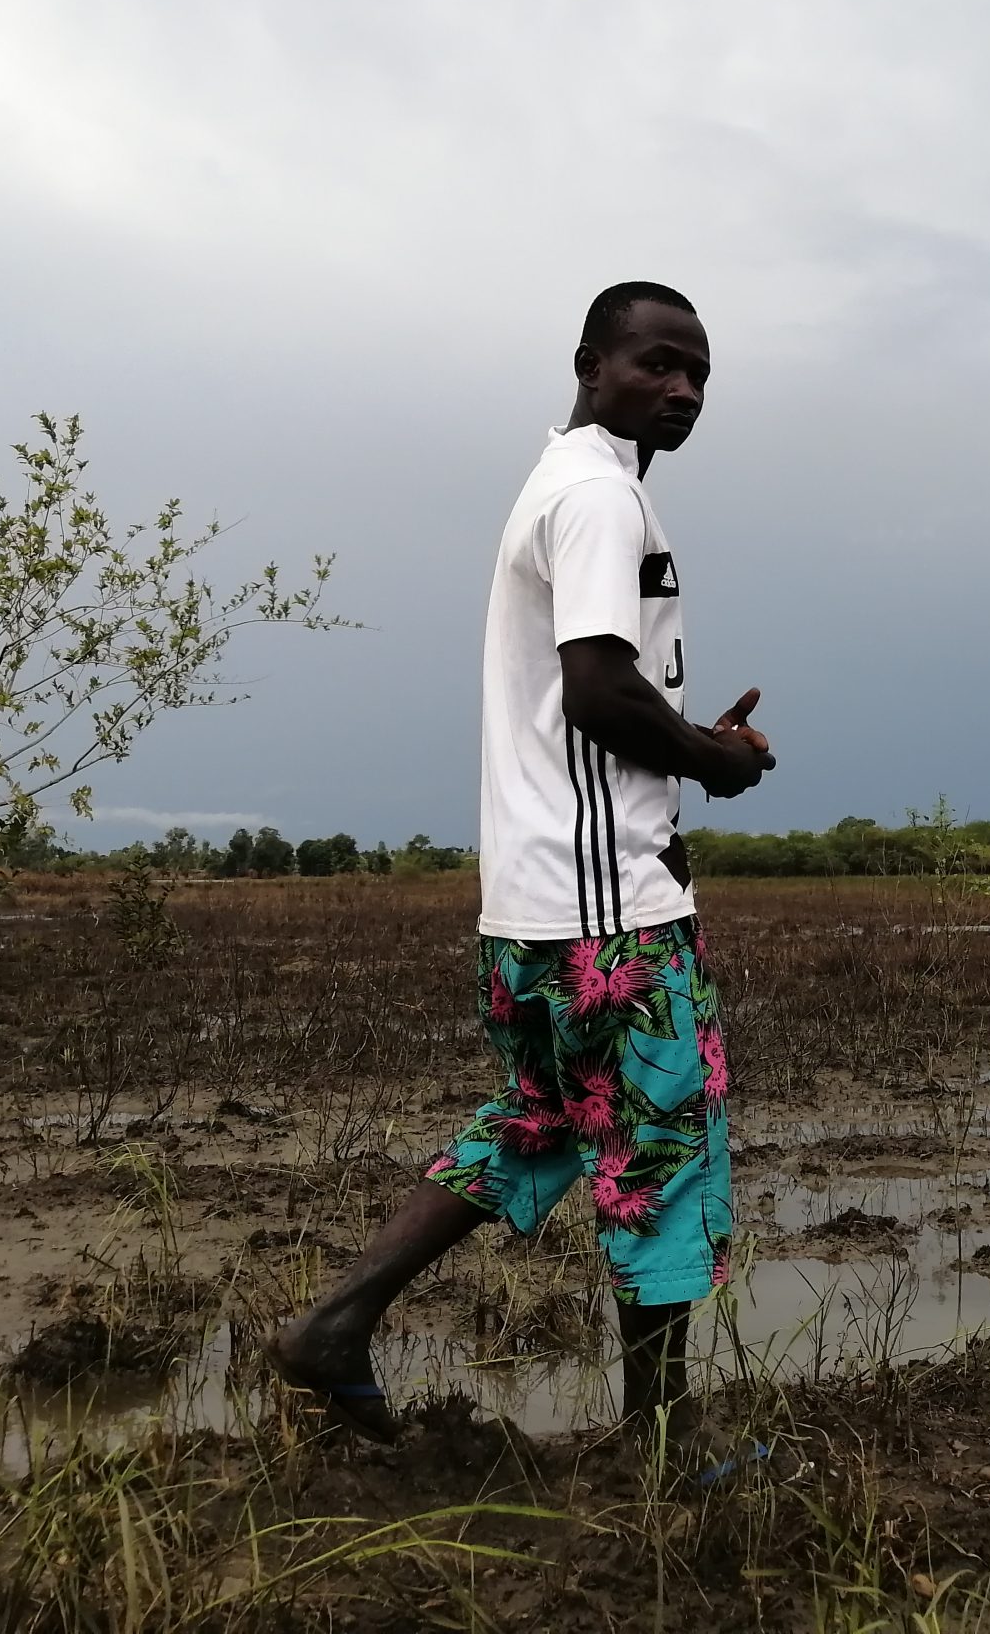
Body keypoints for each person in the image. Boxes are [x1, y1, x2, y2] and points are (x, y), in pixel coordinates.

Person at [274, 280, 775, 1454]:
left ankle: (339, 1323)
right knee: (662, 1152)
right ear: (590, 364)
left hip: (530, 908)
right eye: (656, 363)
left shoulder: (554, 488)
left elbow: (588, 694)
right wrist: (713, 760)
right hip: (612, 916)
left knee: (539, 1119)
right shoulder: (600, 496)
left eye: (698, 373)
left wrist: (692, 748)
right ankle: (665, 1446)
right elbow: (599, 691)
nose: (682, 389)